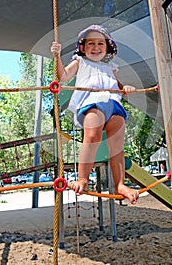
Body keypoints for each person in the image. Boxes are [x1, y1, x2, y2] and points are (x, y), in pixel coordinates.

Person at [51, 24, 139, 204]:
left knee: (117, 145)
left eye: (100, 43)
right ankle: (83, 178)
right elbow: (63, 76)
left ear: (107, 47)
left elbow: (119, 87)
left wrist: (126, 89)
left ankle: (120, 184)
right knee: (92, 135)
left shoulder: (111, 67)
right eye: (91, 44)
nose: (96, 47)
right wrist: (57, 56)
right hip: (92, 102)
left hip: (113, 105)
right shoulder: (80, 61)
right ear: (83, 47)